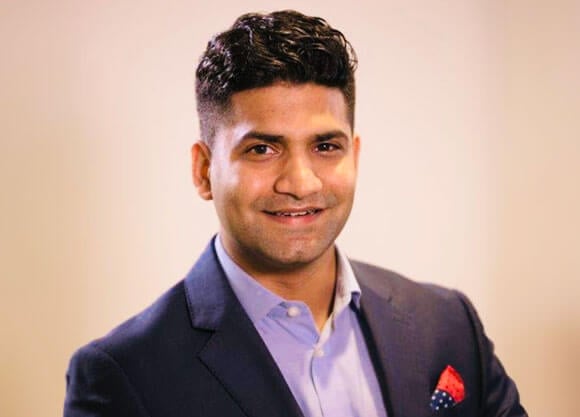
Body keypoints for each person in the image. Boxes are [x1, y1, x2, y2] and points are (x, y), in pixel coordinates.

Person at [64, 10, 527, 417]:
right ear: (204, 170)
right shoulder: (123, 376)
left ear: (355, 156)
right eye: (262, 148)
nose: (301, 182)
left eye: (326, 146)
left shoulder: (447, 324)